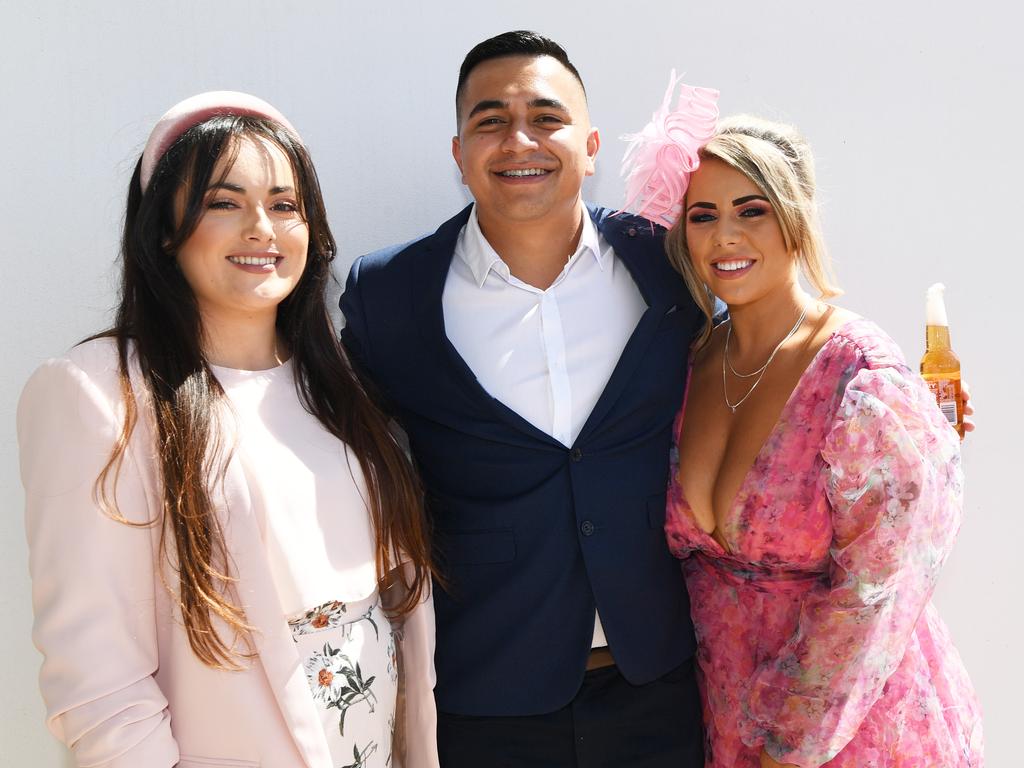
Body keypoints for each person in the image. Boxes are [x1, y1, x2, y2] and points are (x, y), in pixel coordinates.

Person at [17, 92, 439, 768]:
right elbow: (97, 682)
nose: (261, 229)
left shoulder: (341, 387)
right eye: (223, 202)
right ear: (163, 229)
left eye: (283, 205)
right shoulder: (100, 393)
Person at [340, 31, 705, 767]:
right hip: (485, 698)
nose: (519, 140)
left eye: (546, 117)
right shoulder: (389, 295)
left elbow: (757, 364)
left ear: (591, 144)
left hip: (658, 685)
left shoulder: (668, 267)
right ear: (459, 151)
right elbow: (337, 445)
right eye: (490, 120)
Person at [622, 101, 984, 766]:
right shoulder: (685, 366)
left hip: (859, 736)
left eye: (750, 209)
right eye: (703, 216)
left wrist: (788, 750)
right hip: (723, 724)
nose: (724, 236)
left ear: (795, 218)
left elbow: (880, 589)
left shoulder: (860, 379)